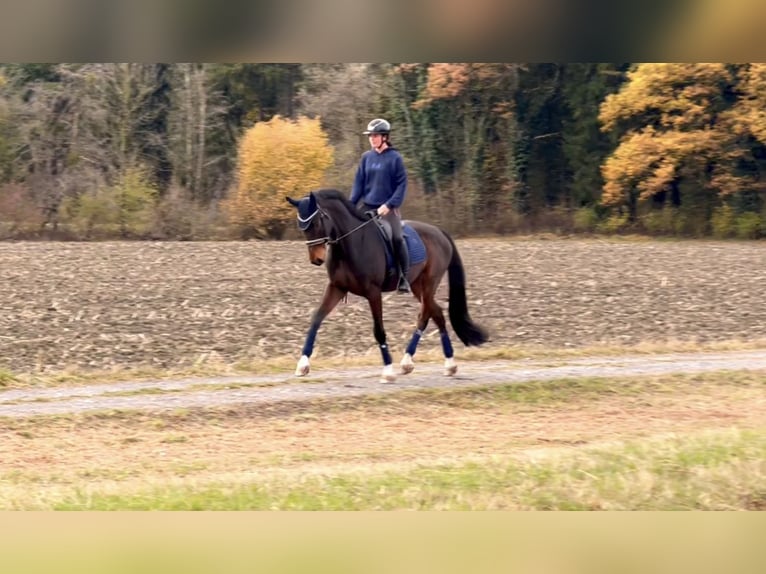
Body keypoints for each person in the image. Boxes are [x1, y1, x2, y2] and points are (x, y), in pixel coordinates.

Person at [349, 118, 411, 293]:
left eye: (375, 135)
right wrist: (351, 206)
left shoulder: (395, 158)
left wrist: (389, 205)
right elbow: (358, 184)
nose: (371, 138)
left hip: (387, 208)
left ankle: (404, 277)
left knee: (397, 238)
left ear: (385, 137)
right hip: (367, 205)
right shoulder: (366, 157)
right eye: (370, 136)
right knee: (349, 232)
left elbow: (401, 185)